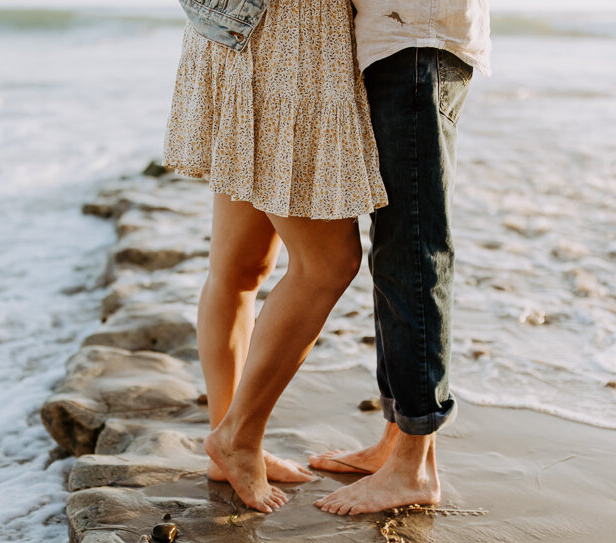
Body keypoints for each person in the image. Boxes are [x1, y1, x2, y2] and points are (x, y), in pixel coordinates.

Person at [164, 0, 388, 513]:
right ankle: (237, 439)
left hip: (240, 34)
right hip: (289, 41)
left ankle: (228, 440)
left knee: (240, 269)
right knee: (326, 265)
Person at [312, 1, 492, 516]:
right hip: (401, 41)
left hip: (417, 41)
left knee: (414, 246)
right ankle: (395, 440)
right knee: (396, 246)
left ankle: (414, 466)